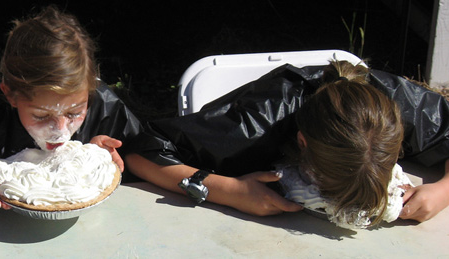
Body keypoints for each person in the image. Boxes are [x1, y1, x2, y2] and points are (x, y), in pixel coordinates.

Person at [125, 60, 449, 226]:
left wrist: (444, 189)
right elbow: (141, 151)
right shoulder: (251, 128)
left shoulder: (390, 106)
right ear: (302, 143)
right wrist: (228, 191)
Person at [0, 5, 142, 209]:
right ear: (9, 95)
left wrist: (99, 158)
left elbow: (145, 155)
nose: (60, 131)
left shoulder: (103, 107)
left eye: (74, 113)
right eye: (41, 116)